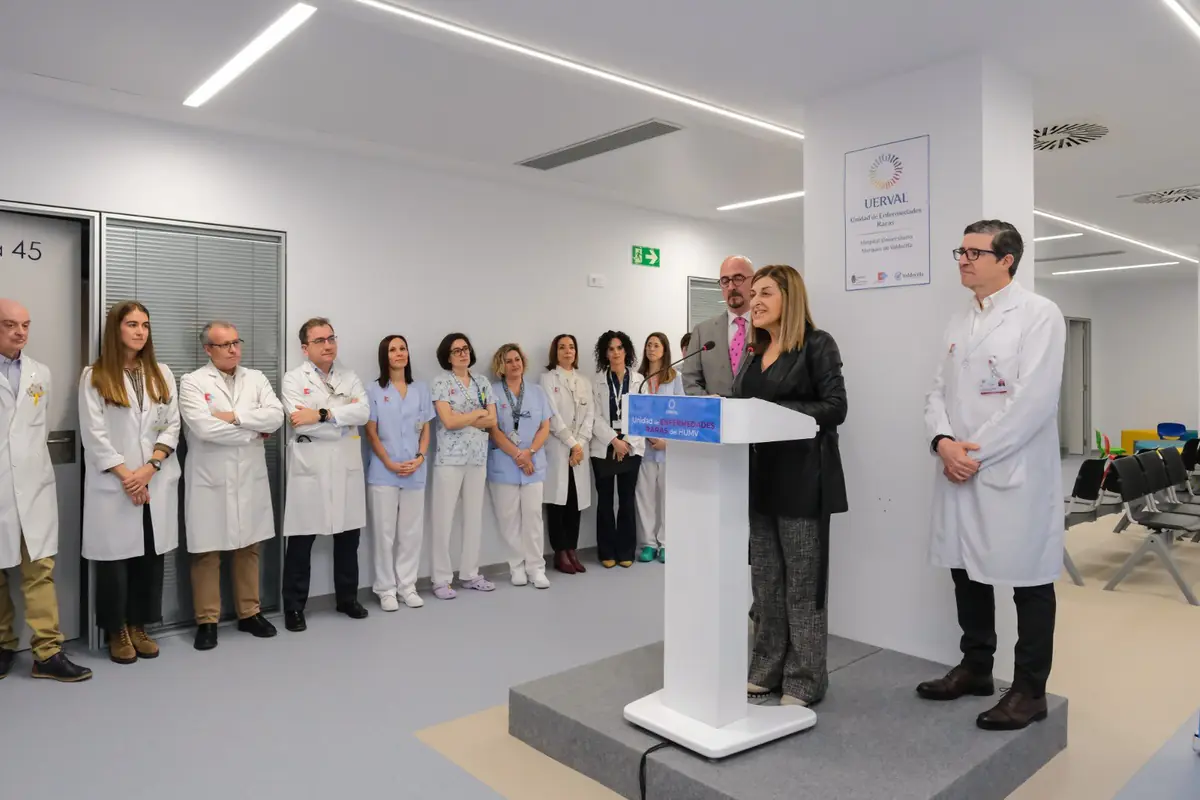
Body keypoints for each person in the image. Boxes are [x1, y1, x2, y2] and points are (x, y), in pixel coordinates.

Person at [918, 220, 1066, 731]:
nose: (962, 259)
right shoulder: (961, 320)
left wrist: (971, 455)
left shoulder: (1039, 315)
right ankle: (977, 666)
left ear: (1006, 260)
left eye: (974, 252)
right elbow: (937, 391)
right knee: (966, 570)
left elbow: (1033, 402)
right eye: (961, 249)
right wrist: (942, 442)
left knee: (1029, 581)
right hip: (961, 466)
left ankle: (1029, 691)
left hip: (1012, 471)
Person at [734, 265, 847, 707]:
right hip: (759, 481)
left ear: (790, 298)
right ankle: (766, 667)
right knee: (766, 582)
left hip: (803, 482)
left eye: (765, 293)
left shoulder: (817, 345)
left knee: (802, 584)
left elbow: (835, 407)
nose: (754, 300)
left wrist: (774, 411)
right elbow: (744, 408)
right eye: (752, 293)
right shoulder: (753, 350)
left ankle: (805, 679)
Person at [80, 301, 181, 664]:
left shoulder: (162, 373)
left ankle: (139, 625)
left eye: (145, 325)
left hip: (154, 476)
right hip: (116, 485)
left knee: (150, 556)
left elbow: (172, 424)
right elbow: (94, 436)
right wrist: (128, 477)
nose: (140, 331)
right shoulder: (95, 375)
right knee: (115, 562)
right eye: (132, 324)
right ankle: (116, 630)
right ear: (116, 329)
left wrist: (150, 468)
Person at [0, 299, 91, 682]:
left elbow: (42, 424)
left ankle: (48, 652)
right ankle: (3, 645)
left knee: (40, 569)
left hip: (34, 485)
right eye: (9, 324)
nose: (20, 332)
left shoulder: (41, 373)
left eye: (25, 324)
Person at [178, 321, 284, 651]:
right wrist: (252, 428)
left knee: (248, 545)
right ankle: (207, 621)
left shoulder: (257, 378)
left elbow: (276, 416)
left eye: (237, 342)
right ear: (208, 349)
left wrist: (233, 417)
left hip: (247, 475)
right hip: (210, 476)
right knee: (207, 551)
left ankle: (249, 613)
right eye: (225, 345)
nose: (234, 349)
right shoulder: (192, 382)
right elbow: (203, 428)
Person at [280, 317, 370, 632]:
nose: (328, 344)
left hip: (344, 462)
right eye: (319, 340)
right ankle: (293, 606)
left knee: (348, 536)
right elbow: (298, 422)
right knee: (301, 537)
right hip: (311, 463)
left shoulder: (350, 376)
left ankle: (347, 599)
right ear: (305, 348)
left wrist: (322, 413)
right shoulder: (293, 380)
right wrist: (340, 420)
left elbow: (363, 412)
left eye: (331, 338)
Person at [364, 335, 433, 612]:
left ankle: (407, 586)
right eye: (393, 350)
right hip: (384, 471)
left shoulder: (420, 389)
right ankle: (386, 589)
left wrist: (420, 457)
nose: (399, 353)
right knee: (384, 534)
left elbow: (426, 428)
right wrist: (389, 462)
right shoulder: (373, 390)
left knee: (411, 532)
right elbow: (370, 431)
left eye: (402, 348)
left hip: (415, 469)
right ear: (385, 356)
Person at [430, 333, 497, 598]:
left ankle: (470, 574)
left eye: (465, 349)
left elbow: (492, 420)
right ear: (447, 356)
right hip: (449, 459)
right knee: (443, 520)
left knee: (473, 518)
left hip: (477, 458)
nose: (462, 353)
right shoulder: (440, 382)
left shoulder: (482, 382)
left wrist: (465, 417)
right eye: (456, 350)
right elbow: (448, 422)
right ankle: (440, 579)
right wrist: (476, 414)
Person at [487, 344, 553, 589]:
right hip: (505, 463)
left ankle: (536, 568)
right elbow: (493, 429)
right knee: (509, 519)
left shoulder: (536, 392)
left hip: (533, 463)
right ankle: (516, 566)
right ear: (500, 367)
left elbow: (545, 426)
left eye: (517, 359)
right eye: (509, 361)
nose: (515, 364)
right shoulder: (492, 392)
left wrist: (530, 453)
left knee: (534, 517)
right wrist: (518, 455)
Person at [540, 334, 593, 575]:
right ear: (555, 352)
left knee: (575, 502)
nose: (567, 351)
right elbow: (552, 417)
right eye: (562, 347)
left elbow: (590, 415)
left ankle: (572, 549)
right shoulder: (547, 379)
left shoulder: (584, 381)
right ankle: (559, 552)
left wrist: (580, 444)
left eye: (571, 347)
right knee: (557, 503)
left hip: (578, 451)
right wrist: (572, 444)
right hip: (559, 447)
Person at [590, 331, 644, 568]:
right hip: (605, 445)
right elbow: (593, 417)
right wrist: (614, 440)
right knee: (604, 501)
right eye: (610, 349)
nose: (615, 353)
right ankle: (606, 551)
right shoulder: (596, 382)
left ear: (627, 351)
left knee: (626, 499)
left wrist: (627, 443)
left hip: (631, 444)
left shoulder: (639, 380)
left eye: (619, 348)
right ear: (605, 353)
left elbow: (643, 414)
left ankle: (626, 551)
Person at [635, 332, 683, 564]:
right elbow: (633, 410)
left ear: (665, 350)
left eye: (656, 345)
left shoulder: (675, 378)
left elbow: (682, 414)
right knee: (644, 498)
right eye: (648, 345)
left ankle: (665, 544)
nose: (651, 348)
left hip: (666, 447)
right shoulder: (637, 377)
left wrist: (668, 441)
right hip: (643, 448)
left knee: (667, 498)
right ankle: (648, 544)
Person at [682, 255, 754, 397]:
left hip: (757, 415)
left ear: (754, 281)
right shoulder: (702, 331)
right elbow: (690, 379)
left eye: (738, 278)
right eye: (725, 281)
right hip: (715, 416)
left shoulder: (769, 329)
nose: (731, 286)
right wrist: (710, 405)